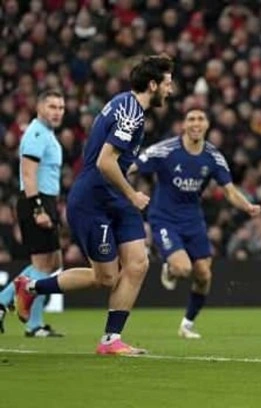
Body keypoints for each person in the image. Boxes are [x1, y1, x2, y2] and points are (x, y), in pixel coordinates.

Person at [13, 55, 174, 355]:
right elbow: (105, 162)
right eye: (167, 83)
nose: (170, 89)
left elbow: (113, 158)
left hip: (114, 197)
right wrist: (132, 194)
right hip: (93, 200)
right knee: (106, 278)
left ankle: (111, 340)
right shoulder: (131, 112)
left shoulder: (125, 103)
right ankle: (31, 287)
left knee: (138, 263)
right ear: (152, 85)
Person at [128, 108, 261, 339]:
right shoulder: (165, 150)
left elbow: (229, 191)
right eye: (191, 119)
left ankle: (187, 324)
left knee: (204, 275)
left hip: (193, 220)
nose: (196, 123)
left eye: (201, 119)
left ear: (207, 125)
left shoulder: (213, 156)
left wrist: (247, 206)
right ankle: (170, 268)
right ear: (183, 125)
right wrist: (114, 179)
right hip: (164, 218)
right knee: (183, 268)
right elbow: (132, 167)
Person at [0, 89, 65, 337]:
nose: (57, 112)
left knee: (53, 263)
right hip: (35, 201)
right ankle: (31, 323)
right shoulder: (36, 133)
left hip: (46, 201)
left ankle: (9, 303)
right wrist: (38, 208)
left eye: (60, 107)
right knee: (42, 265)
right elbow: (28, 174)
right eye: (52, 106)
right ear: (39, 108)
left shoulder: (47, 134)